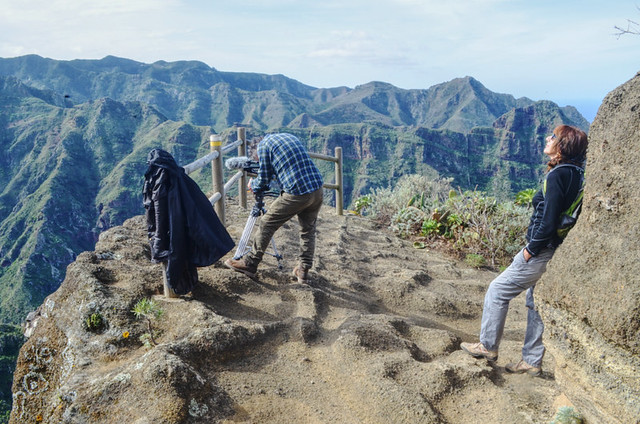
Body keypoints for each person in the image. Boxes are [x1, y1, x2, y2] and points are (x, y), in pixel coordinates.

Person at [460, 125, 588, 376]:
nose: (548, 139)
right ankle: (530, 361)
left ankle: (487, 346)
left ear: (562, 146)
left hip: (541, 249)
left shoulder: (556, 175)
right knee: (535, 302)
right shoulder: (577, 172)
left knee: (497, 290)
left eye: (554, 137)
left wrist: (531, 249)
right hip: (556, 250)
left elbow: (548, 220)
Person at [224, 133, 324, 283]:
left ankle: (249, 264)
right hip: (317, 189)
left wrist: (254, 185)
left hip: (297, 192)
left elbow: (264, 178)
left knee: (267, 223)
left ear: (255, 151)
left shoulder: (263, 147)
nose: (257, 161)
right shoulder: (287, 137)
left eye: (257, 159)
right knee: (307, 230)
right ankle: (303, 271)